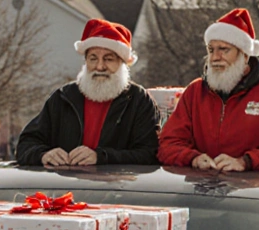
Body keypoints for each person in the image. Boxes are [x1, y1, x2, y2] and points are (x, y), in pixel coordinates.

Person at [157, 8, 259, 172]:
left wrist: (246, 162)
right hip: (199, 192)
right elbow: (167, 145)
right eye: (211, 50)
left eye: (224, 50)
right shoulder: (194, 92)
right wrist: (192, 158)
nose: (214, 58)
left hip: (253, 193)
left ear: (245, 55)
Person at [14, 19, 161, 167]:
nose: (100, 66)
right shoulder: (63, 97)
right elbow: (25, 145)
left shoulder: (139, 100)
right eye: (93, 58)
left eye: (108, 59)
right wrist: (43, 154)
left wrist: (102, 157)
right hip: (66, 187)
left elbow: (150, 154)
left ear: (122, 64)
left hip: (118, 189)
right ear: (85, 62)